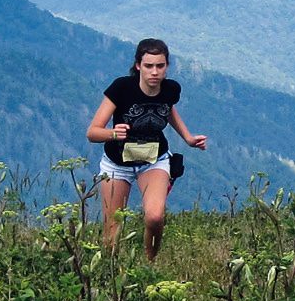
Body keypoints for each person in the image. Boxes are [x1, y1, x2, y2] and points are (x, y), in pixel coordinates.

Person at [85, 38, 208, 261]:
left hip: (153, 160)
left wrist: (188, 138)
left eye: (160, 66)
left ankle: (149, 264)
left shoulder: (171, 89)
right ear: (138, 66)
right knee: (112, 233)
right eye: (149, 66)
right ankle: (110, 274)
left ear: (167, 66)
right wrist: (113, 133)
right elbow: (92, 132)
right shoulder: (121, 88)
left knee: (154, 217)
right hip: (117, 164)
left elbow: (168, 111)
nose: (154, 72)